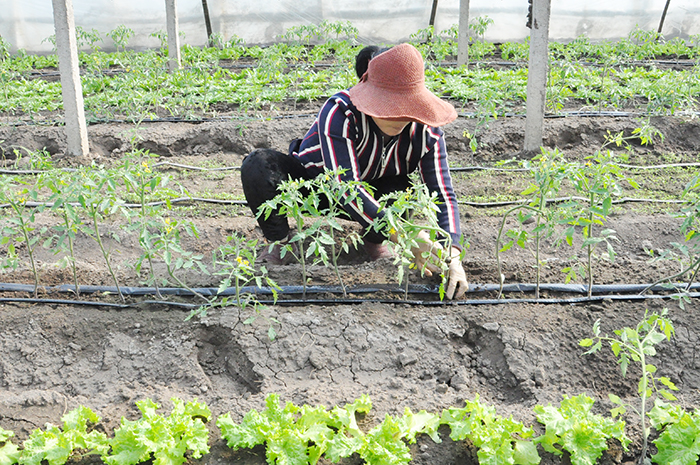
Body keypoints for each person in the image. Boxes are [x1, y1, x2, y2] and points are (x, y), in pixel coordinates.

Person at [240, 43, 468, 299]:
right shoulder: (341, 112)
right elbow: (344, 186)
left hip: (374, 195)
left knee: (402, 189)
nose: (399, 117)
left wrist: (453, 256)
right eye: (390, 106)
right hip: (314, 187)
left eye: (407, 107)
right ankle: (280, 242)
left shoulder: (427, 132)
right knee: (259, 165)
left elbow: (443, 193)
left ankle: (375, 241)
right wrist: (408, 235)